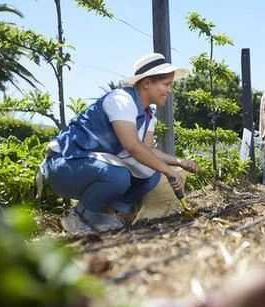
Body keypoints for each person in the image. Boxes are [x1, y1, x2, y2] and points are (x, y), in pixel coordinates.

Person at [42, 53, 198, 232]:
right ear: (147, 83)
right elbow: (133, 146)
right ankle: (79, 217)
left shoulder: (148, 116)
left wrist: (179, 162)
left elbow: (147, 151)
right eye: (166, 84)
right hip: (64, 165)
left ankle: (108, 215)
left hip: (90, 166)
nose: (170, 90)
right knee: (119, 176)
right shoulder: (121, 100)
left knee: (150, 173)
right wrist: (169, 171)